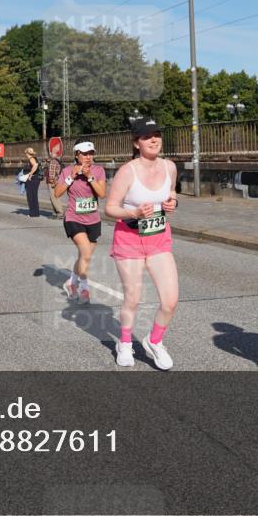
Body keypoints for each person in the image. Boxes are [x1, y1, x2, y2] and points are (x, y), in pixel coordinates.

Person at [104, 116, 179, 370]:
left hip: (158, 238)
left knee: (170, 300)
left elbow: (172, 194)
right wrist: (134, 214)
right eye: (147, 136)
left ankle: (154, 341)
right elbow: (110, 208)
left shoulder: (169, 167)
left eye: (157, 134)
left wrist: (172, 203)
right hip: (129, 239)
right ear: (137, 143)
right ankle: (124, 343)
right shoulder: (128, 171)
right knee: (133, 298)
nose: (154, 139)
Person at [52, 141, 106, 304]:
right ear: (76, 155)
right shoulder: (68, 170)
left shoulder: (98, 170)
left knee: (84, 256)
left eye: (91, 153)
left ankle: (70, 282)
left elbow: (102, 194)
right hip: (74, 218)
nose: (88, 157)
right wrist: (72, 177)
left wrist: (90, 177)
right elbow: (57, 193)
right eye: (84, 154)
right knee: (86, 253)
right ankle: (84, 288)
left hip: (93, 220)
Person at [47, 144, 65, 221]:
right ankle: (57, 212)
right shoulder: (58, 160)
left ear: (54, 153)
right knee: (54, 197)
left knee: (54, 197)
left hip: (53, 182)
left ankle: (60, 213)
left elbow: (52, 173)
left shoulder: (53, 161)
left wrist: (52, 181)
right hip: (58, 181)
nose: (50, 153)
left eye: (51, 152)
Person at [23, 147, 43, 217]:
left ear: (28, 153)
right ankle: (36, 212)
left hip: (33, 179)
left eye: (26, 153)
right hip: (35, 179)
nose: (26, 155)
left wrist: (30, 174)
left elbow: (35, 165)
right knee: (34, 196)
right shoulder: (34, 158)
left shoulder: (31, 159)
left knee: (31, 196)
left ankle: (32, 213)